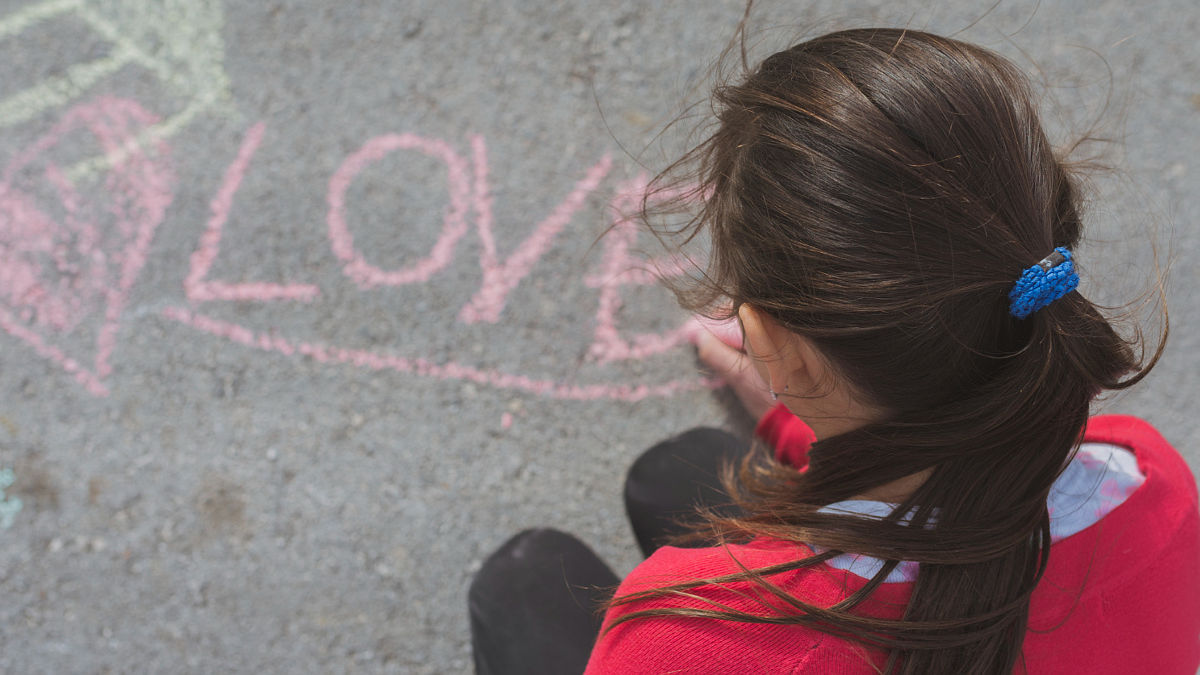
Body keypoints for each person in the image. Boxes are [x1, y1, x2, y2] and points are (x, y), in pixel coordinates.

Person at [468, 27, 1200, 674]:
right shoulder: (1148, 479)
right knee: (674, 471)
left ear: (785, 351)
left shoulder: (677, 637)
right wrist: (800, 413)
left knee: (524, 577)